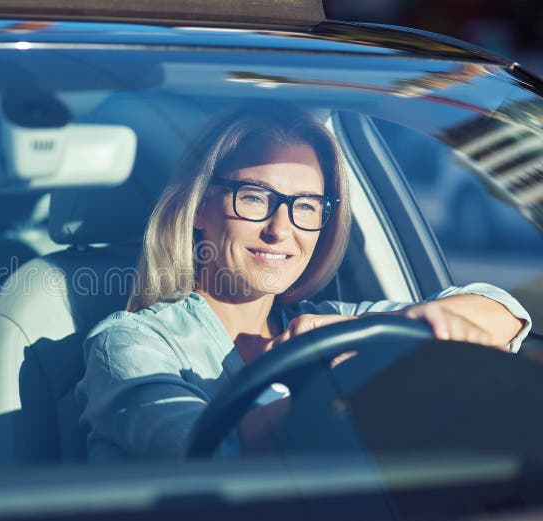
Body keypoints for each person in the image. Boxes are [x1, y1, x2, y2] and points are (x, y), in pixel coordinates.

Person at [75, 105, 531, 461]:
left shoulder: (328, 323)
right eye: (254, 198)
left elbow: (504, 313)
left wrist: (415, 325)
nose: (280, 229)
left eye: (306, 206)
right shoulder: (130, 343)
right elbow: (207, 455)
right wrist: (332, 381)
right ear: (198, 208)